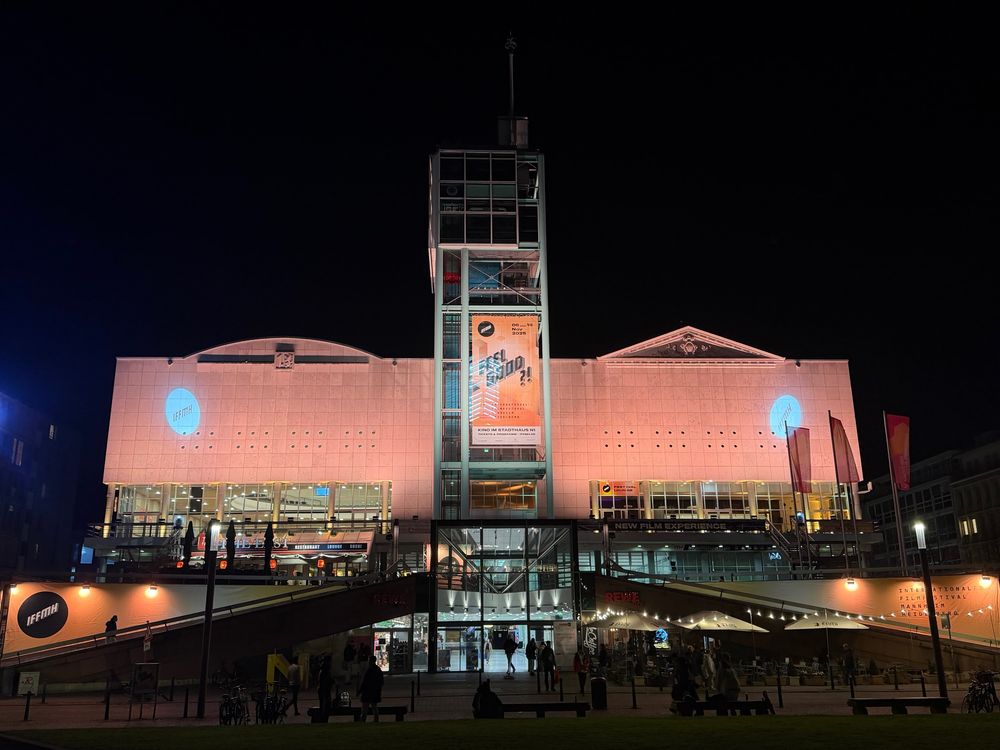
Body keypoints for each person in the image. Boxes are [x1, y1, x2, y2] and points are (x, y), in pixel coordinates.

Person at [358, 654, 384, 722]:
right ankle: (376, 720)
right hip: (374, 692)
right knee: (374, 708)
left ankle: (363, 720)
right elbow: (381, 682)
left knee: (365, 709)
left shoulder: (369, 670)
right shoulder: (378, 670)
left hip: (367, 692)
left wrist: (360, 691)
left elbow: (365, 682)